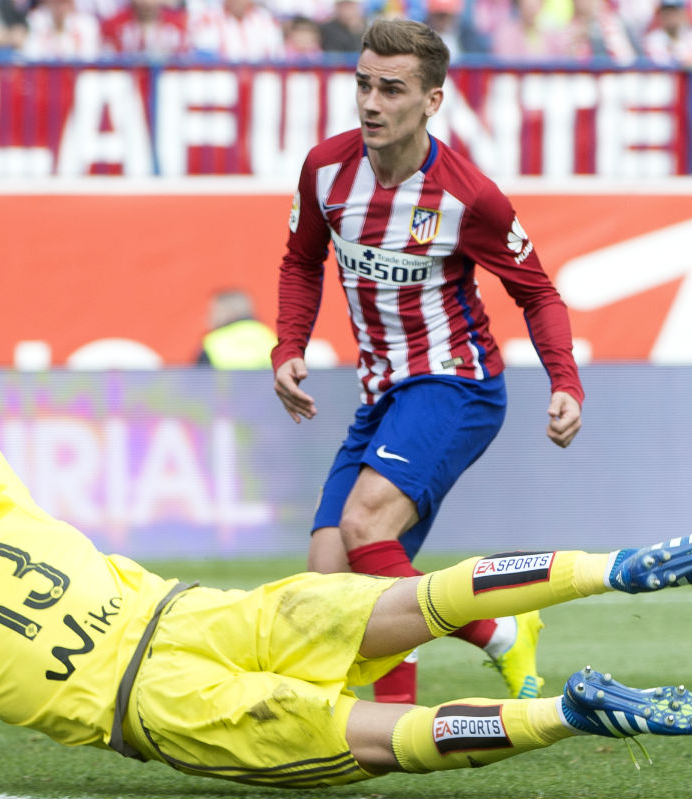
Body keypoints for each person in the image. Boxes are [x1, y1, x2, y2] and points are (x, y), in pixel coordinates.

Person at [0, 330, 692, 789]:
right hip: (192, 613)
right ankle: (612, 564)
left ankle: (562, 712)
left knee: (376, 735)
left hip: (154, 704)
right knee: (413, 599)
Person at [271, 18, 585, 706]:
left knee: (365, 528)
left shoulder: (467, 196)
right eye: (363, 84)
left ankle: (440, 684)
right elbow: (300, 262)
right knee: (330, 577)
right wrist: (288, 346)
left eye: (391, 88)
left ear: (432, 100)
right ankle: (470, 661)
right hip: (383, 392)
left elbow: (537, 292)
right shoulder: (325, 170)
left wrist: (566, 381)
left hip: (457, 384)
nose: (371, 103)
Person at [197, 289, 279, 368]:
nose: (208, 317)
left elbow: (199, 379)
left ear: (225, 312)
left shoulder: (214, 342)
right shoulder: (268, 336)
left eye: (213, 311)